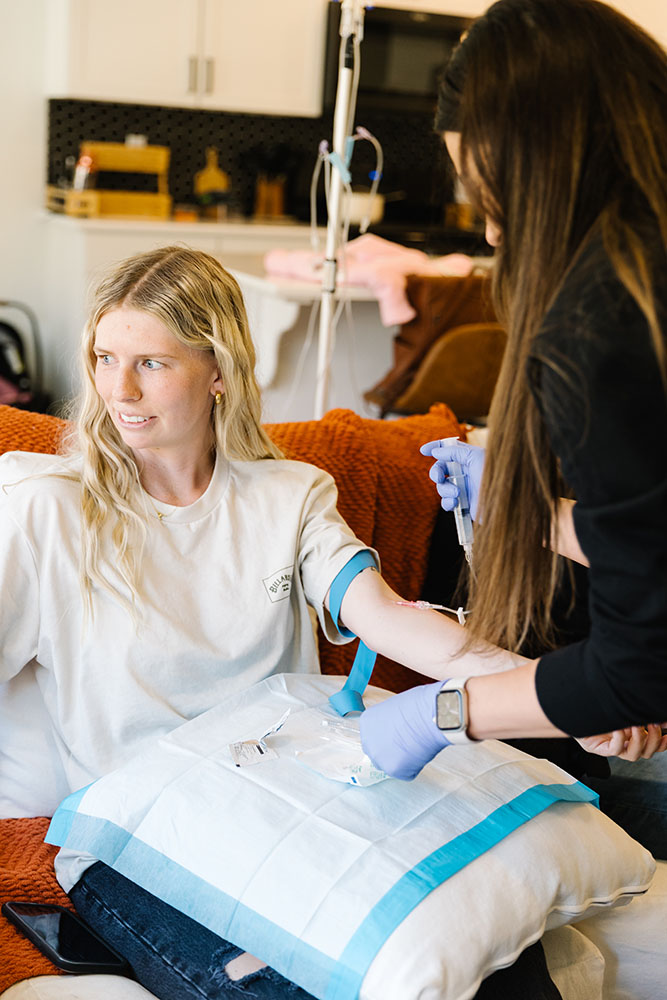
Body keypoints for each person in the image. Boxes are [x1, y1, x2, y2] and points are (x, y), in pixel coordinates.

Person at [0, 244, 545, 999]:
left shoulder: (290, 495)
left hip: (288, 816)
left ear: (218, 368)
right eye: (103, 357)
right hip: (137, 845)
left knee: (491, 966)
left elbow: (387, 617)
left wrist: (561, 699)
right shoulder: (48, 511)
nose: (118, 389)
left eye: (152, 363)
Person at [360, 0, 667, 858]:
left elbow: (639, 663)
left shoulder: (604, 323)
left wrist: (444, 711)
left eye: (489, 196)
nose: (489, 230)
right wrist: (542, 518)